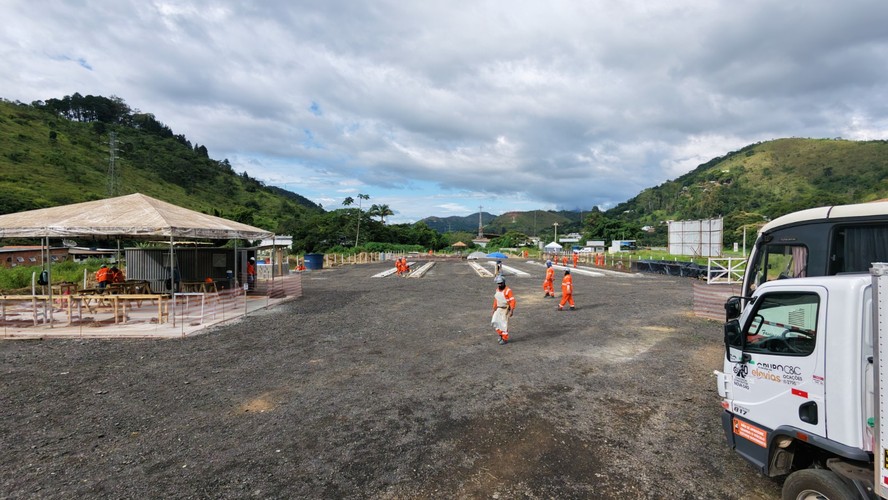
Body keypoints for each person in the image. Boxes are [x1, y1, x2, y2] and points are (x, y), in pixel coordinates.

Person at [491, 275, 516, 345]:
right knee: (495, 322)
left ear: (504, 282)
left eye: (501, 283)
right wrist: (494, 308)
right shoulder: (497, 290)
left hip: (505, 309)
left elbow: (512, 301)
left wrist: (511, 310)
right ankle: (501, 335)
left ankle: (504, 338)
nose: (499, 285)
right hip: (498, 308)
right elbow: (496, 300)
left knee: (503, 324)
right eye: (498, 283)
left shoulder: (508, 290)